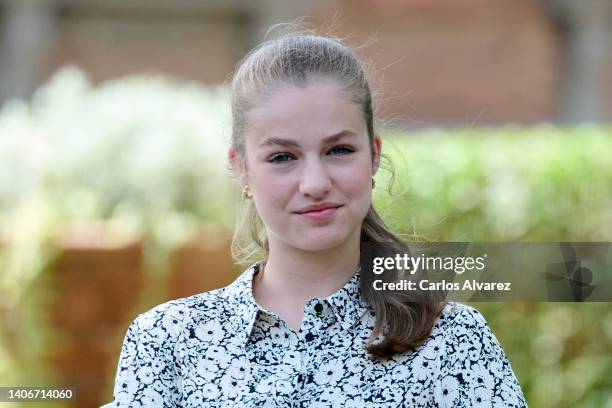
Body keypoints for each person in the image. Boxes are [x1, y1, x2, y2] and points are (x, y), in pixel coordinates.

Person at [103, 27, 527, 407]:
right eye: (282, 157)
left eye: (338, 150)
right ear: (242, 168)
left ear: (374, 154)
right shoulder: (166, 344)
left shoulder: (453, 340)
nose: (314, 182)